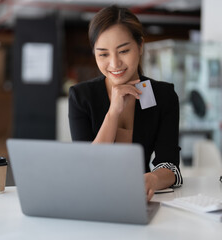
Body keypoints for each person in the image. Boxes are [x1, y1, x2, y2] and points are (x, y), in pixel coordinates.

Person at [68, 5, 182, 201]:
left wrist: (153, 179)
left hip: (139, 198)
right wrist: (113, 113)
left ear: (140, 46)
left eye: (123, 51)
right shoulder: (82, 96)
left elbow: (170, 165)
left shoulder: (161, 96)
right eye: (103, 54)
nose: (114, 64)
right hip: (91, 198)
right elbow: (86, 165)